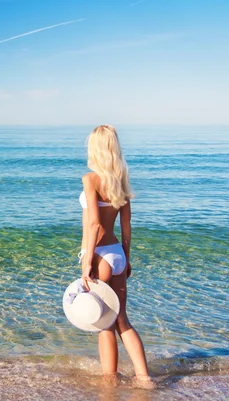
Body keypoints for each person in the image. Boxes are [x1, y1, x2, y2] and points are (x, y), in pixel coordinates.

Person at [78, 125, 155, 388]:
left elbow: (94, 224)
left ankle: (109, 381)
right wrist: (126, 258)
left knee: (104, 323)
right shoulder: (120, 180)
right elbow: (126, 226)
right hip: (118, 255)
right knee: (122, 319)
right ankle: (144, 378)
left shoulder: (91, 179)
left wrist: (87, 261)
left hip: (99, 254)